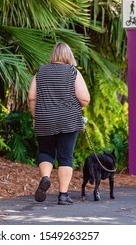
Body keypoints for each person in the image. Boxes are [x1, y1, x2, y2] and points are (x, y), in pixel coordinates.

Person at [28, 42, 90, 205]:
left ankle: (46, 178)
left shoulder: (40, 71)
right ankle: (63, 195)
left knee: (46, 151)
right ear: (69, 55)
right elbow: (84, 98)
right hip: (68, 119)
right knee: (65, 156)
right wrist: (75, 105)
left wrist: (36, 116)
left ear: (53, 55)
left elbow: (31, 97)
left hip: (44, 118)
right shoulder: (72, 72)